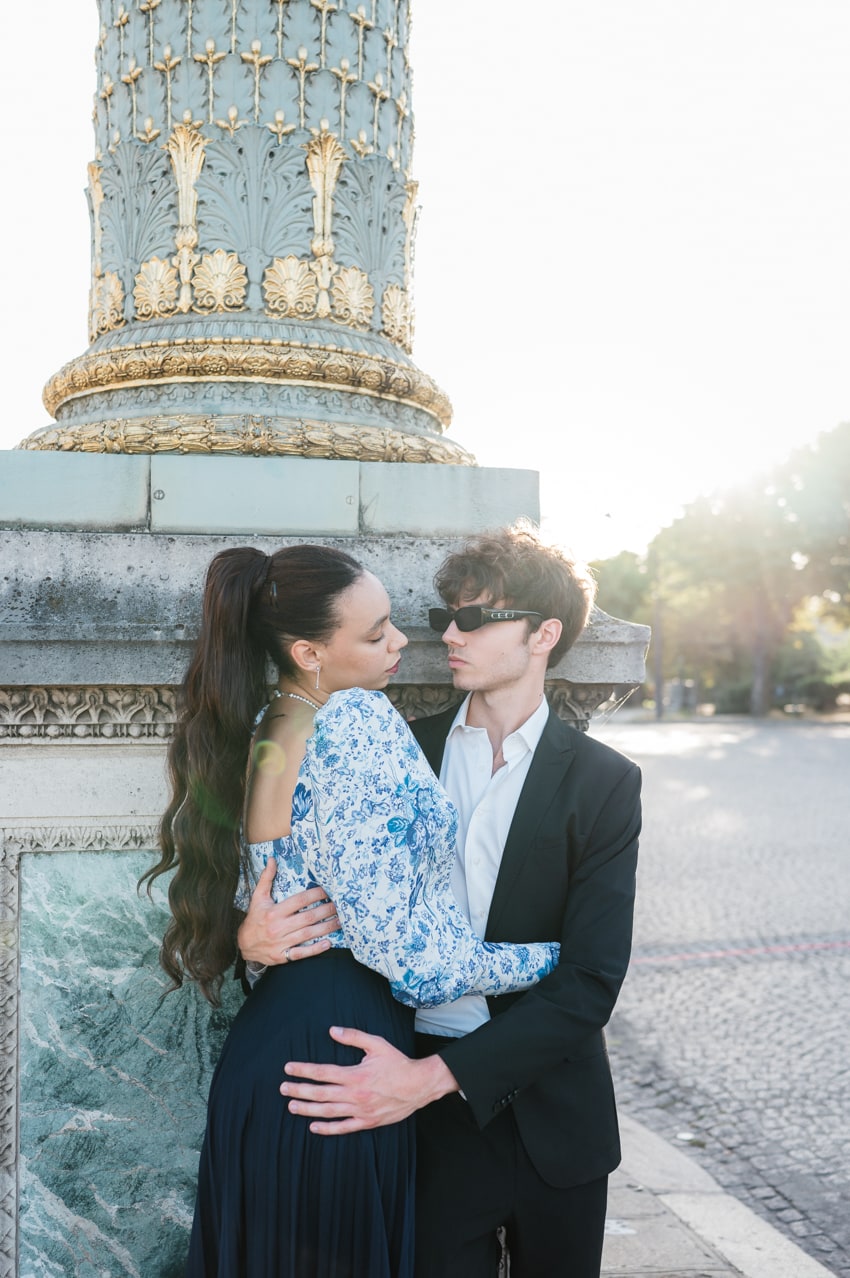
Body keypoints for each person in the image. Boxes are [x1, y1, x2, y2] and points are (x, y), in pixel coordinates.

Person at [140, 542, 560, 1278]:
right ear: (309, 650)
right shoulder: (356, 720)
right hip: (342, 1053)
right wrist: (549, 958)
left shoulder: (271, 724)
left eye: (392, 623)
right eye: (375, 634)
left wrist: (249, 939)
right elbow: (407, 953)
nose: (402, 643)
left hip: (276, 1042)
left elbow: (270, 881)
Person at [239, 524, 642, 1278]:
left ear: (543, 635)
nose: (450, 634)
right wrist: (254, 933)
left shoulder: (605, 782)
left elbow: (591, 981)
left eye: (476, 618)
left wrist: (426, 1082)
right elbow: (291, 862)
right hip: (407, 1108)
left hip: (552, 1114)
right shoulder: (386, 741)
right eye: (443, 618)